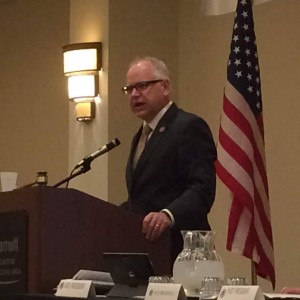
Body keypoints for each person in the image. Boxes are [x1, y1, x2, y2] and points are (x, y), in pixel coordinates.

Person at [120, 56, 217, 262]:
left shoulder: (188, 126)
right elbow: (143, 196)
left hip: (184, 251)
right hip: (148, 250)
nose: (135, 94)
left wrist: (167, 215)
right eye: (129, 89)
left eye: (142, 86)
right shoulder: (141, 135)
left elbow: (202, 189)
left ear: (165, 86)